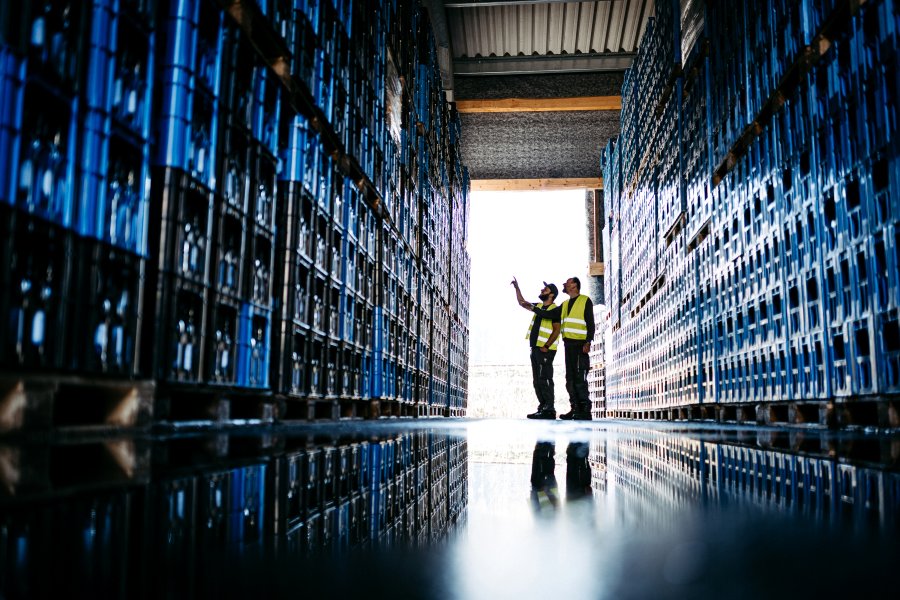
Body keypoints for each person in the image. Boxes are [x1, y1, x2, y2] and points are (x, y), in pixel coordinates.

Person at [530, 277, 594, 420]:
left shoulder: (585, 300)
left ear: (574, 285)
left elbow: (590, 322)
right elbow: (549, 314)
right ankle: (575, 408)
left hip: (580, 344)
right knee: (570, 378)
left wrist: (588, 341)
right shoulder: (565, 304)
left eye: (567, 282)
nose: (564, 284)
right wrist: (534, 308)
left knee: (580, 377)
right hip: (568, 345)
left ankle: (584, 410)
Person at [512, 278, 561, 419]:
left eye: (545, 289)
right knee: (537, 380)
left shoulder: (555, 310)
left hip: (545, 349)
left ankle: (549, 409)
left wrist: (546, 345)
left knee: (545, 378)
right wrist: (517, 288)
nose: (542, 290)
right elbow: (522, 303)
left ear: (552, 295)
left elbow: (556, 330)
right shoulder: (539, 306)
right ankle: (543, 407)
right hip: (535, 349)